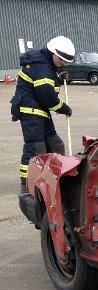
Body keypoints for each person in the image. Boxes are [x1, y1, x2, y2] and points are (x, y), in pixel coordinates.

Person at [10, 36, 74, 194]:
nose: (62, 62)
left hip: (40, 113)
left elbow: (48, 86)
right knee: (35, 150)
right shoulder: (42, 67)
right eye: (61, 59)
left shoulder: (46, 64)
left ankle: (56, 177)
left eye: (65, 61)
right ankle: (27, 185)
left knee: (56, 146)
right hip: (31, 113)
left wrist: (59, 78)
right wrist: (64, 108)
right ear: (52, 52)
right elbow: (47, 97)